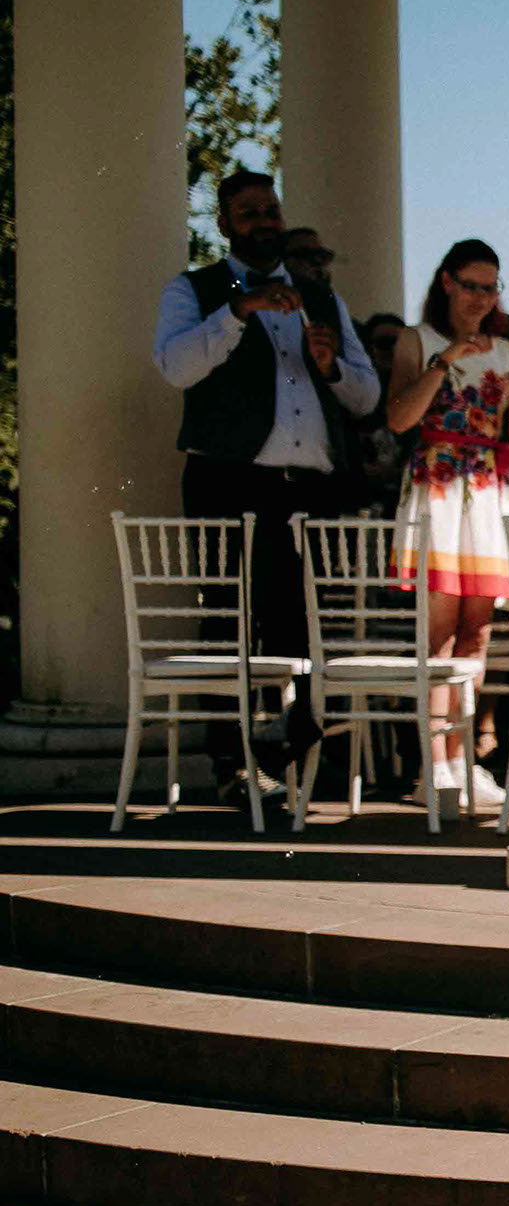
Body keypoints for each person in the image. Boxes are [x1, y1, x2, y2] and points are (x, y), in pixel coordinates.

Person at [152, 169, 383, 806]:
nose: (263, 222)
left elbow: (366, 398)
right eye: (248, 213)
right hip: (228, 479)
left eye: (271, 211)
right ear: (224, 224)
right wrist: (235, 312)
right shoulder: (195, 289)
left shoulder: (322, 298)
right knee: (228, 621)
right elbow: (174, 366)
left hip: (308, 489)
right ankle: (231, 766)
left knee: (304, 627)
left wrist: (331, 364)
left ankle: (298, 761)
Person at [380, 240, 509, 807]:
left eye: (490, 287)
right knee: (439, 633)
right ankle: (434, 765)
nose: (480, 297)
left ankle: (465, 760)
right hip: (440, 483)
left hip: (490, 487)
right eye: (470, 285)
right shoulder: (416, 340)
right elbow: (399, 418)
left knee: (477, 633)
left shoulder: (507, 351)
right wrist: (444, 361)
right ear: (446, 282)